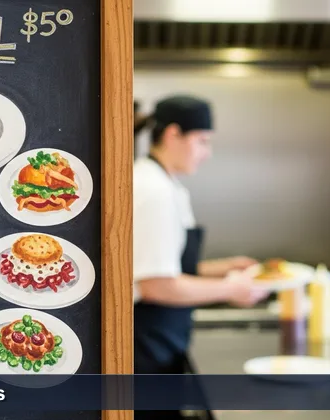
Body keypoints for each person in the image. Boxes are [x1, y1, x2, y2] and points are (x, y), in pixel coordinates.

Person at [133, 95, 270, 417]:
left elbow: (162, 262)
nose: (207, 154)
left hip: (160, 341)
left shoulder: (165, 184)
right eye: (203, 141)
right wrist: (231, 288)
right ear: (172, 135)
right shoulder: (153, 190)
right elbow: (156, 285)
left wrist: (224, 268)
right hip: (145, 345)